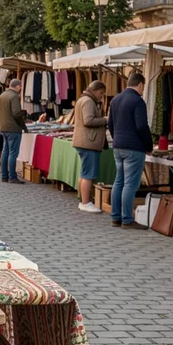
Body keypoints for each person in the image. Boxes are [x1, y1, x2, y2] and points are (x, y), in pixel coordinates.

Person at [108, 72, 153, 229]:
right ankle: (127, 219)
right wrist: (149, 146)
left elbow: (110, 124)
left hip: (118, 146)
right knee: (130, 184)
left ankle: (115, 217)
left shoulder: (115, 99)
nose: (143, 90)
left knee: (118, 181)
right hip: (133, 147)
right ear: (140, 84)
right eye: (143, 87)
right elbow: (141, 126)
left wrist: (117, 139)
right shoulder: (137, 101)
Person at [72, 81, 108, 213]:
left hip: (85, 141)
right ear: (95, 90)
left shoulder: (83, 99)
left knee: (84, 173)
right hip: (89, 142)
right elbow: (88, 120)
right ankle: (85, 202)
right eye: (101, 93)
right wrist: (105, 120)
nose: (101, 96)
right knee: (88, 174)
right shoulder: (88, 101)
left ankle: (83, 200)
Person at [0, 78, 28, 183]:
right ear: (18, 86)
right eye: (21, 87)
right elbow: (16, 113)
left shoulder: (2, 95)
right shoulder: (14, 96)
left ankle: (4, 176)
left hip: (4, 127)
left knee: (5, 152)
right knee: (13, 153)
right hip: (13, 128)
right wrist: (23, 125)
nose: (21, 89)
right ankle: (12, 177)